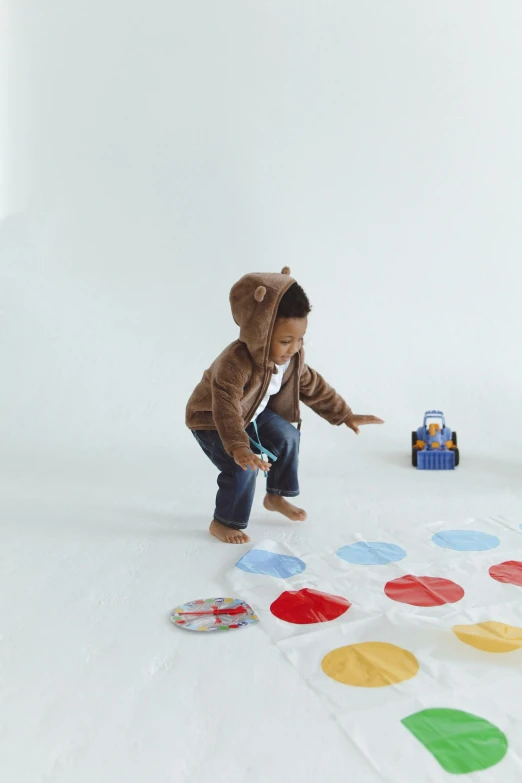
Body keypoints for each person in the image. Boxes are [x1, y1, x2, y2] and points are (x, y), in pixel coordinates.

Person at [186, 267, 383, 544]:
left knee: (289, 436)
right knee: (243, 467)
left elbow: (313, 385)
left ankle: (275, 496)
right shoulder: (234, 363)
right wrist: (240, 447)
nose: (293, 348)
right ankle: (223, 522)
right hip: (213, 420)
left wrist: (344, 414)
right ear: (259, 333)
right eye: (285, 341)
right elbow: (226, 407)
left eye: (300, 338)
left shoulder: (291, 358)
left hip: (252, 412)